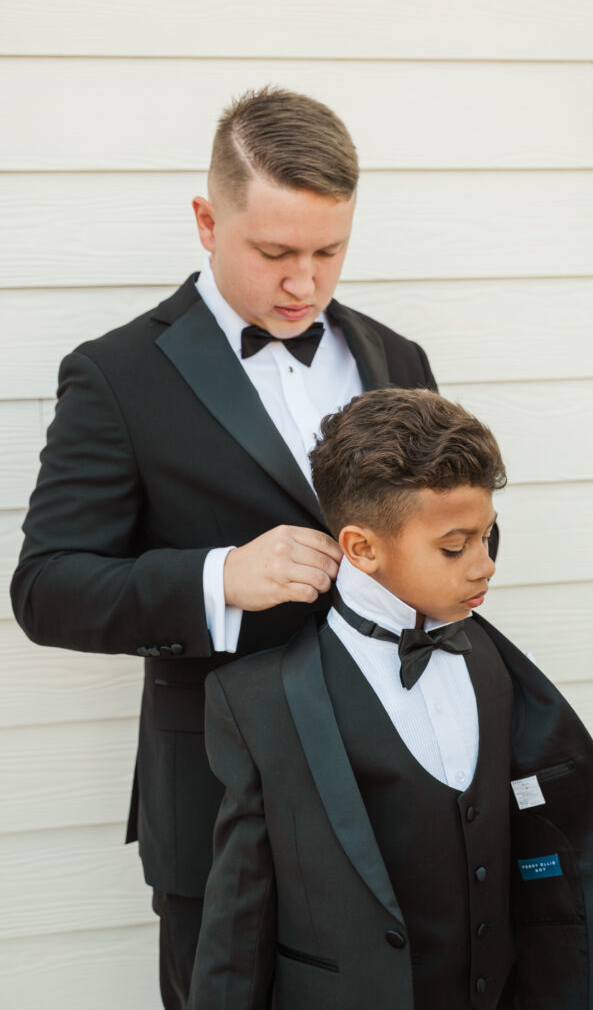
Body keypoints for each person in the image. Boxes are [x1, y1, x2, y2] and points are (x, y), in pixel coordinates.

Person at [9, 88, 440, 1009]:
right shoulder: (117, 375)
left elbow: (443, 529)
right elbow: (46, 588)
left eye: (329, 252)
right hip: (221, 802)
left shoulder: (397, 357)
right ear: (207, 221)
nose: (304, 285)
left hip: (395, 787)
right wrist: (220, 578)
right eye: (275, 252)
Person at [188, 388, 593, 1010]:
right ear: (362, 547)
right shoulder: (259, 703)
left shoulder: (502, 670)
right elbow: (239, 925)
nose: (484, 566)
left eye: (489, 538)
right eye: (454, 547)